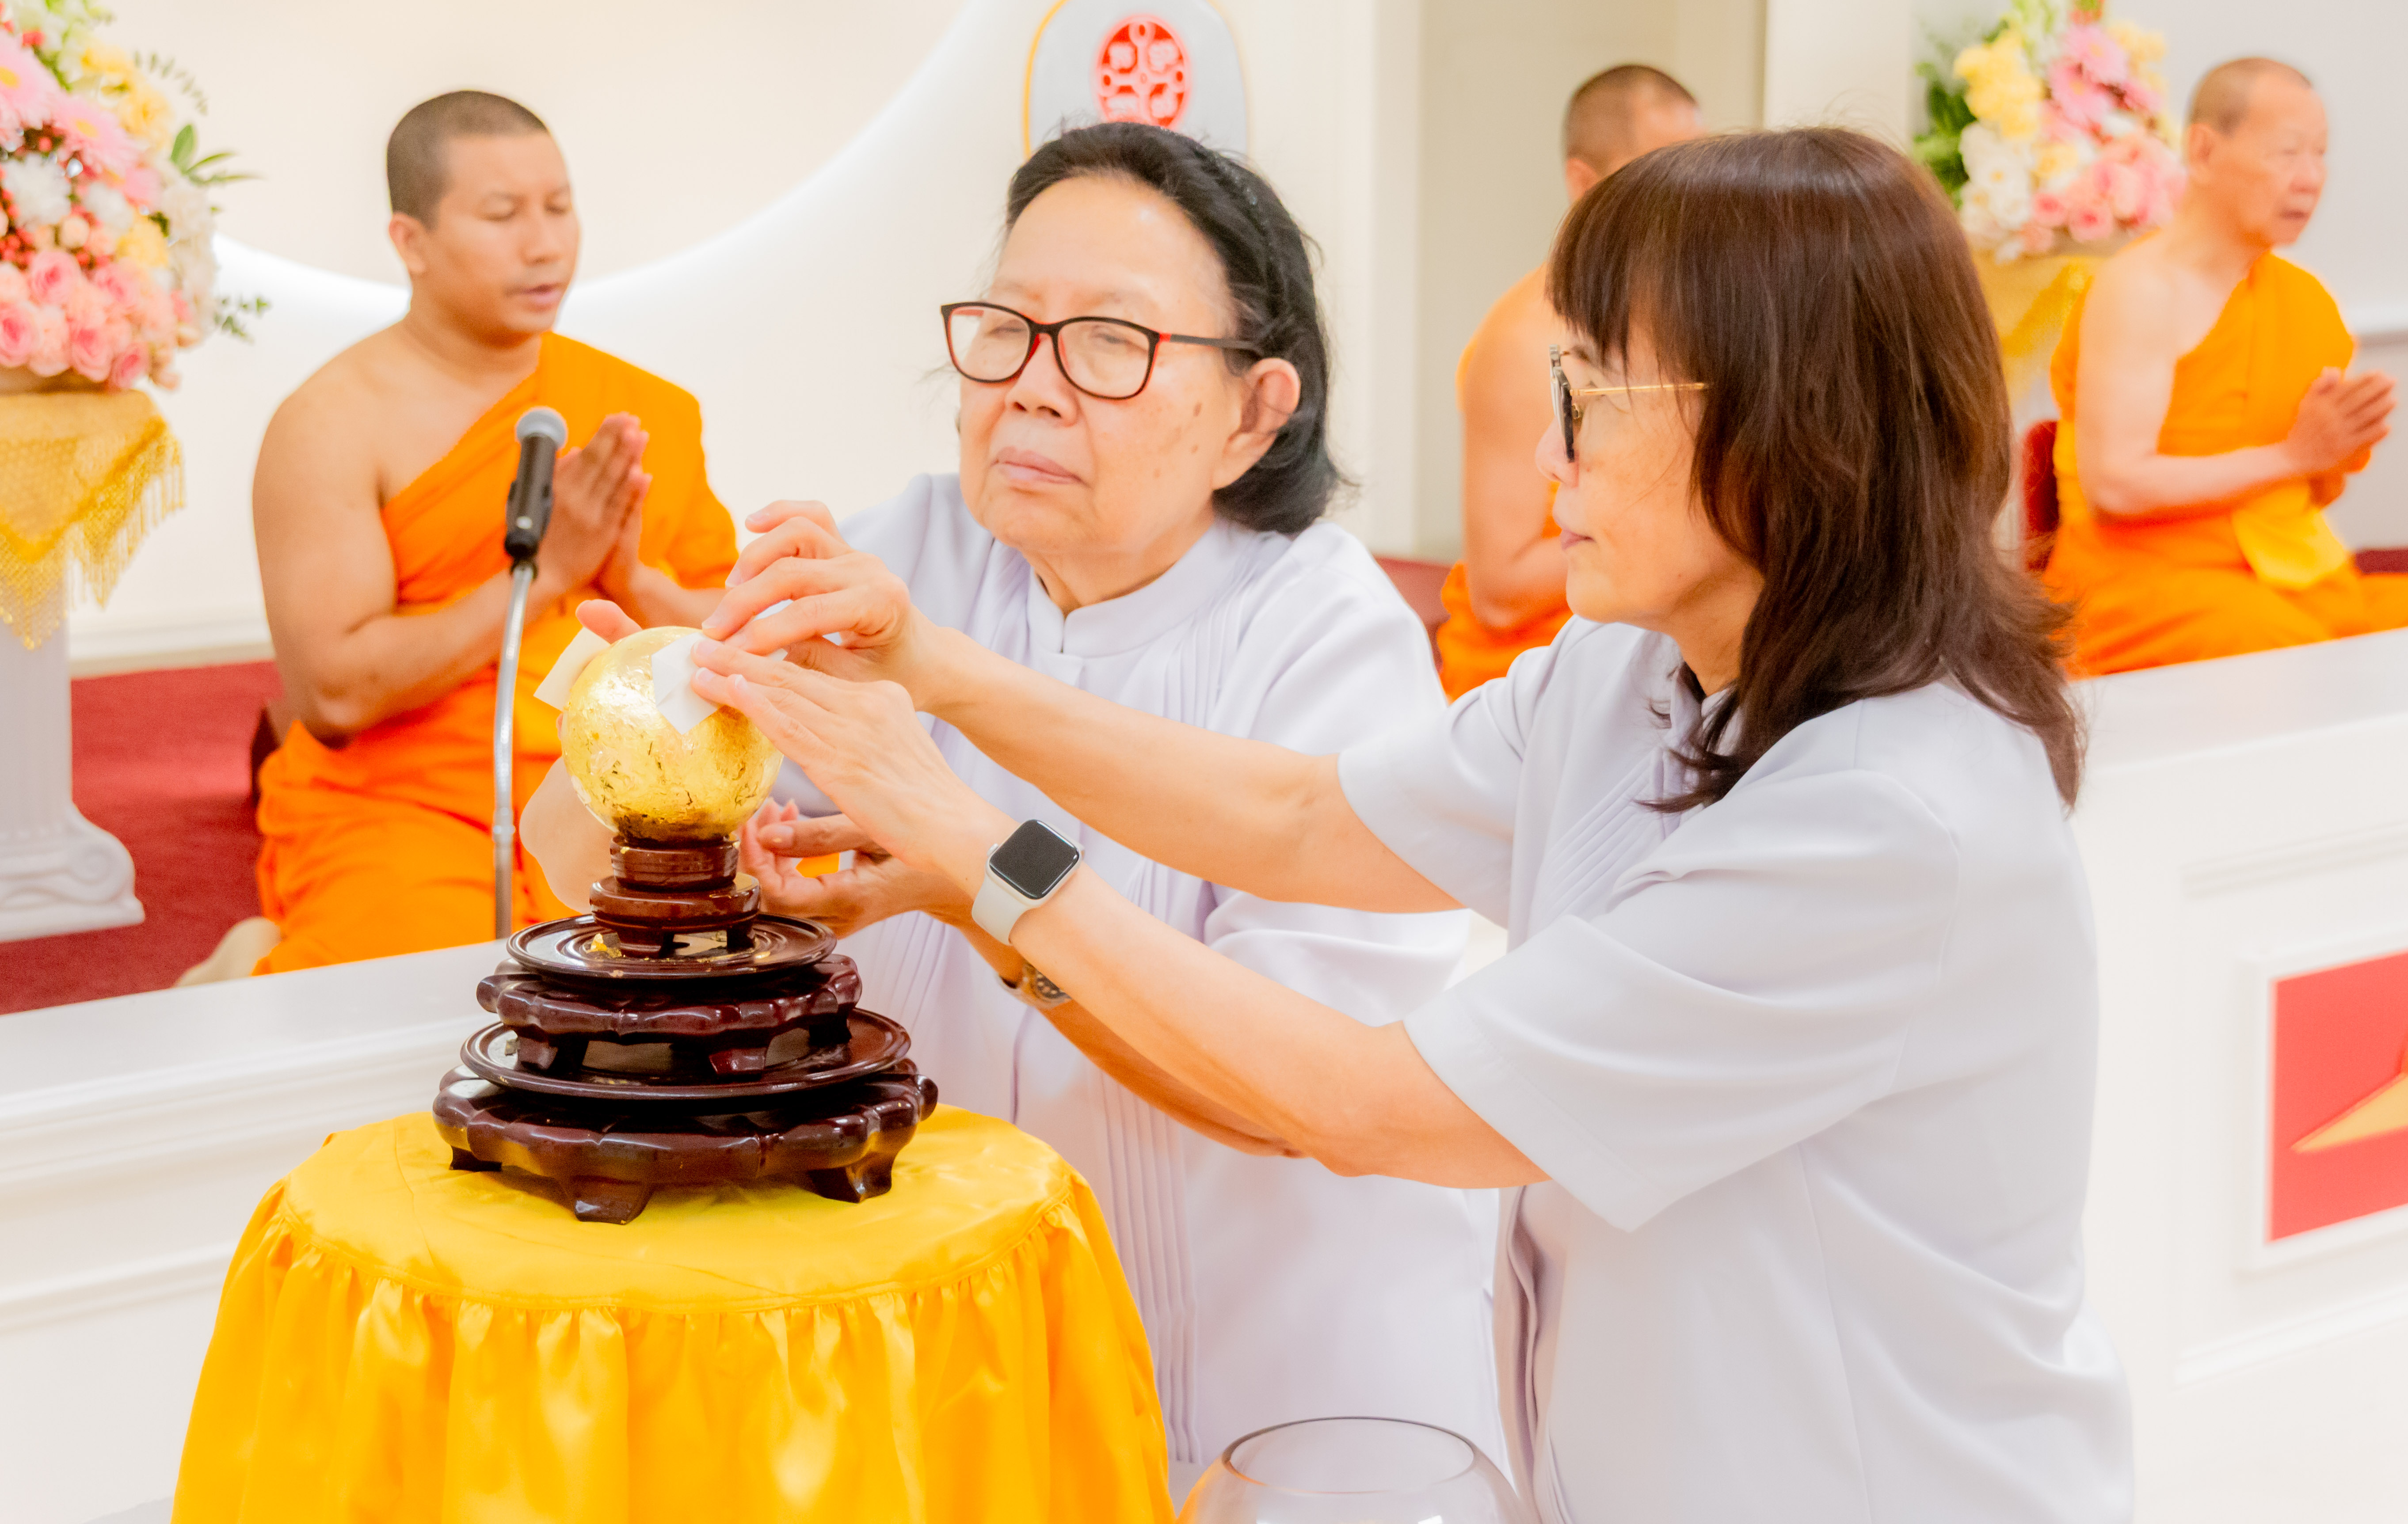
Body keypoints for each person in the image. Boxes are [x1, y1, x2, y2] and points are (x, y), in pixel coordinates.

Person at [676, 129, 2134, 1523]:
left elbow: (1361, 1103)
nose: (1542, 454)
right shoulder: (1632, 671)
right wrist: (938, 674)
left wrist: (965, 840)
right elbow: (1302, 813)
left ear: (1791, 432)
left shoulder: (1887, 821)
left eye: (1594, 396)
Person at [522, 124, 1497, 1475]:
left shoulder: (1331, 639)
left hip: (1268, 1387)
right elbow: (571, 863)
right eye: (1007, 330)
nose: (1031, 391)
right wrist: (675, 701)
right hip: (960, 1351)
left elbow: (1285, 1090)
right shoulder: (916, 548)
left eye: (1111, 343)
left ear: (1255, 412)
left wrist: (973, 889)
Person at [245, 91, 734, 975]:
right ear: (411, 242)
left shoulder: (641, 410)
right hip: (407, 803)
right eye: (503, 215)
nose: (544, 243)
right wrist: (546, 574)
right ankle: (247, 960)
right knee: (409, 997)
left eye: (559, 207)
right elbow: (338, 694)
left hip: (631, 793)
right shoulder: (332, 424)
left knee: (772, 961)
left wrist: (632, 581)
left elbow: (730, 628)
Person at [2043, 57, 2404, 673]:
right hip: (2143, 583)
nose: (2311, 178)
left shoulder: (2302, 298)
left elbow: (2310, 484)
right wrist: (2294, 456)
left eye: (2320, 154)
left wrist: (2331, 446)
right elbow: (2116, 487)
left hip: (2277, 571)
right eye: (2288, 153)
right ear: (2206, 151)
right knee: (2294, 665)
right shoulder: (2140, 291)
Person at [1435, 64, 1704, 699]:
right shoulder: (1528, 339)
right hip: (1531, 692)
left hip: (1642, 666)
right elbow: (1500, 591)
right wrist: (1684, 536)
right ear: (1586, 185)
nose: (1696, 200)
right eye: (1663, 176)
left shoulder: (1675, 315)